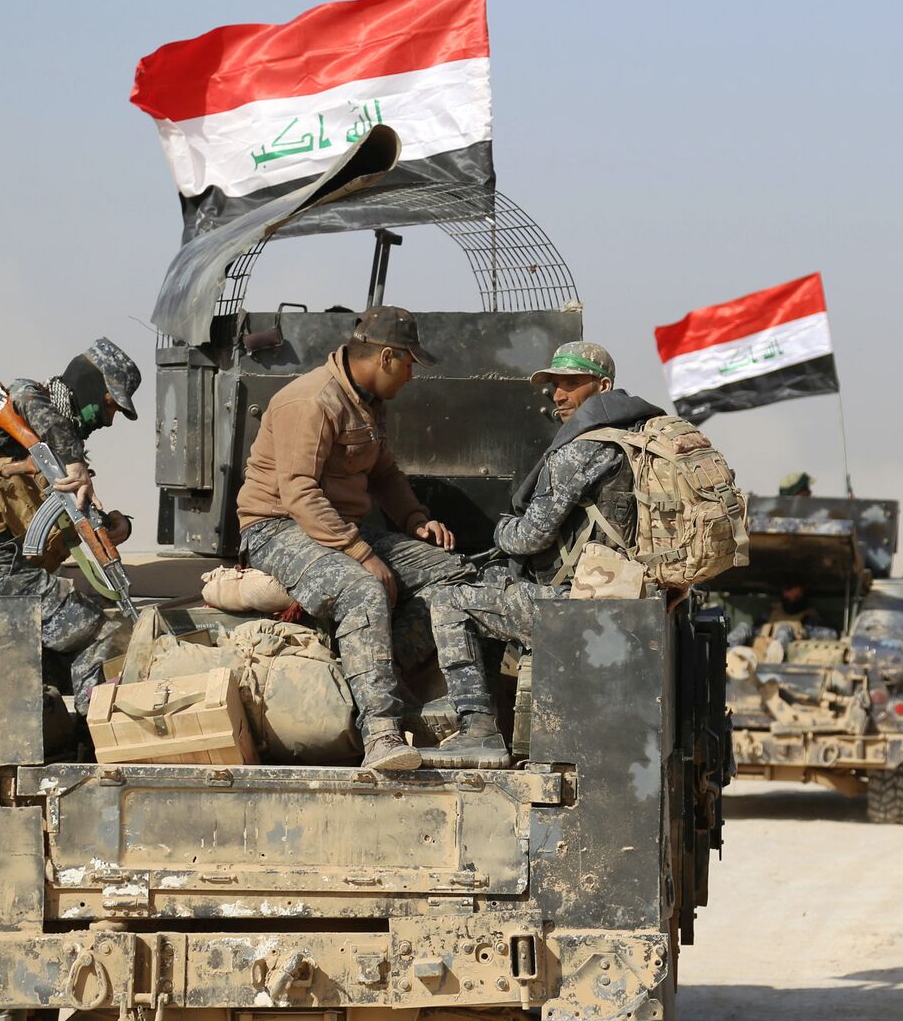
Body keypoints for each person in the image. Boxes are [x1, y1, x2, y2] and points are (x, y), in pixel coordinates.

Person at [236, 306, 476, 772]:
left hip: (337, 527)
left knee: (452, 573)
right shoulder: (312, 401)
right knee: (362, 589)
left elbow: (384, 474)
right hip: (275, 527)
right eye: (409, 364)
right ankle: (382, 735)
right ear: (386, 357)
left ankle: (373, 668)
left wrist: (414, 520)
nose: (411, 376)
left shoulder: (367, 402)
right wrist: (361, 554)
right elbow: (299, 493)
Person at [424, 341, 663, 766]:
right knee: (491, 584)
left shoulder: (583, 448)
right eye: (554, 385)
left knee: (450, 602)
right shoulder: (636, 438)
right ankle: (491, 712)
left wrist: (500, 529)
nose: (558, 395)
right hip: (625, 598)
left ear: (603, 386)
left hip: (579, 607)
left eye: (572, 383)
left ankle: (478, 728)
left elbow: (530, 537)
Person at [0, 338, 142, 713]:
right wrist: (73, 461)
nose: (108, 419)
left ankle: (75, 730)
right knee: (103, 634)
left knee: (58, 657)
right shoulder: (24, 408)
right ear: (90, 384)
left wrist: (110, 526)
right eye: (109, 404)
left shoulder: (53, 446)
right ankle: (101, 731)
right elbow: (22, 394)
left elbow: (52, 519)